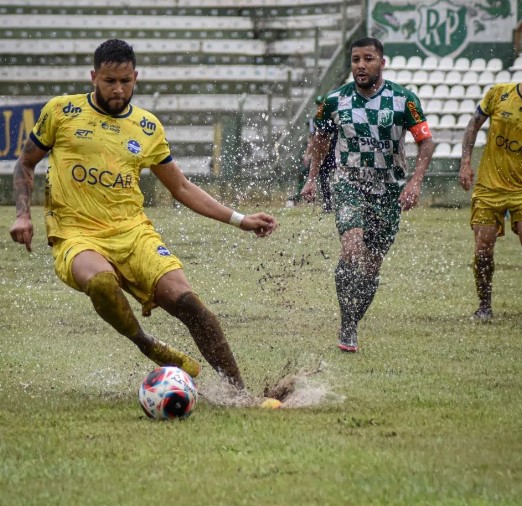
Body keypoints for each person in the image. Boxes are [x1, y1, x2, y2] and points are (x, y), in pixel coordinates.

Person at [9, 39, 277, 390]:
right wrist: (23, 215)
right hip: (77, 235)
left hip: (134, 234)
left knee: (191, 306)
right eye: (109, 81)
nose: (119, 89)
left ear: (136, 77)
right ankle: (145, 342)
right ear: (93, 77)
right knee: (103, 283)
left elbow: (180, 187)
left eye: (125, 81)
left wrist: (241, 220)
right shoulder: (61, 112)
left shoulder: (148, 127)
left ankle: (239, 391)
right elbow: (25, 163)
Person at [301, 37, 434, 352]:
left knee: (372, 265)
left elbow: (425, 143)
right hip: (349, 183)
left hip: (388, 189)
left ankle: (352, 321)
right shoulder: (334, 101)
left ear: (382, 63)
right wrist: (310, 179)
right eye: (356, 60)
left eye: (368, 59)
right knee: (351, 249)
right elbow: (319, 141)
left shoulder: (404, 100)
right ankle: (347, 326)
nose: (361, 65)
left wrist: (414, 182)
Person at [459, 82, 522, 321]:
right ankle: (484, 306)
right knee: (483, 249)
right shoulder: (499, 93)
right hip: (489, 187)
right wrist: (465, 162)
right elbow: (473, 125)